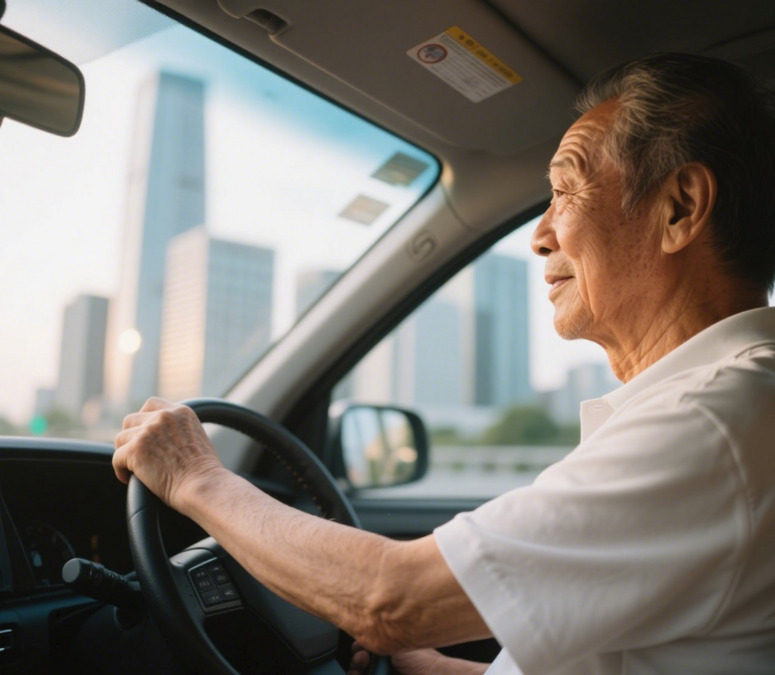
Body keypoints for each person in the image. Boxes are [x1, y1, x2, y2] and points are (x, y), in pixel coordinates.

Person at [113, 52, 775, 674]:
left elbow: (387, 598)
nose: (539, 233)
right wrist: (437, 666)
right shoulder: (719, 407)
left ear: (679, 207)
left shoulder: (716, 418)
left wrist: (196, 476)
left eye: (564, 191)